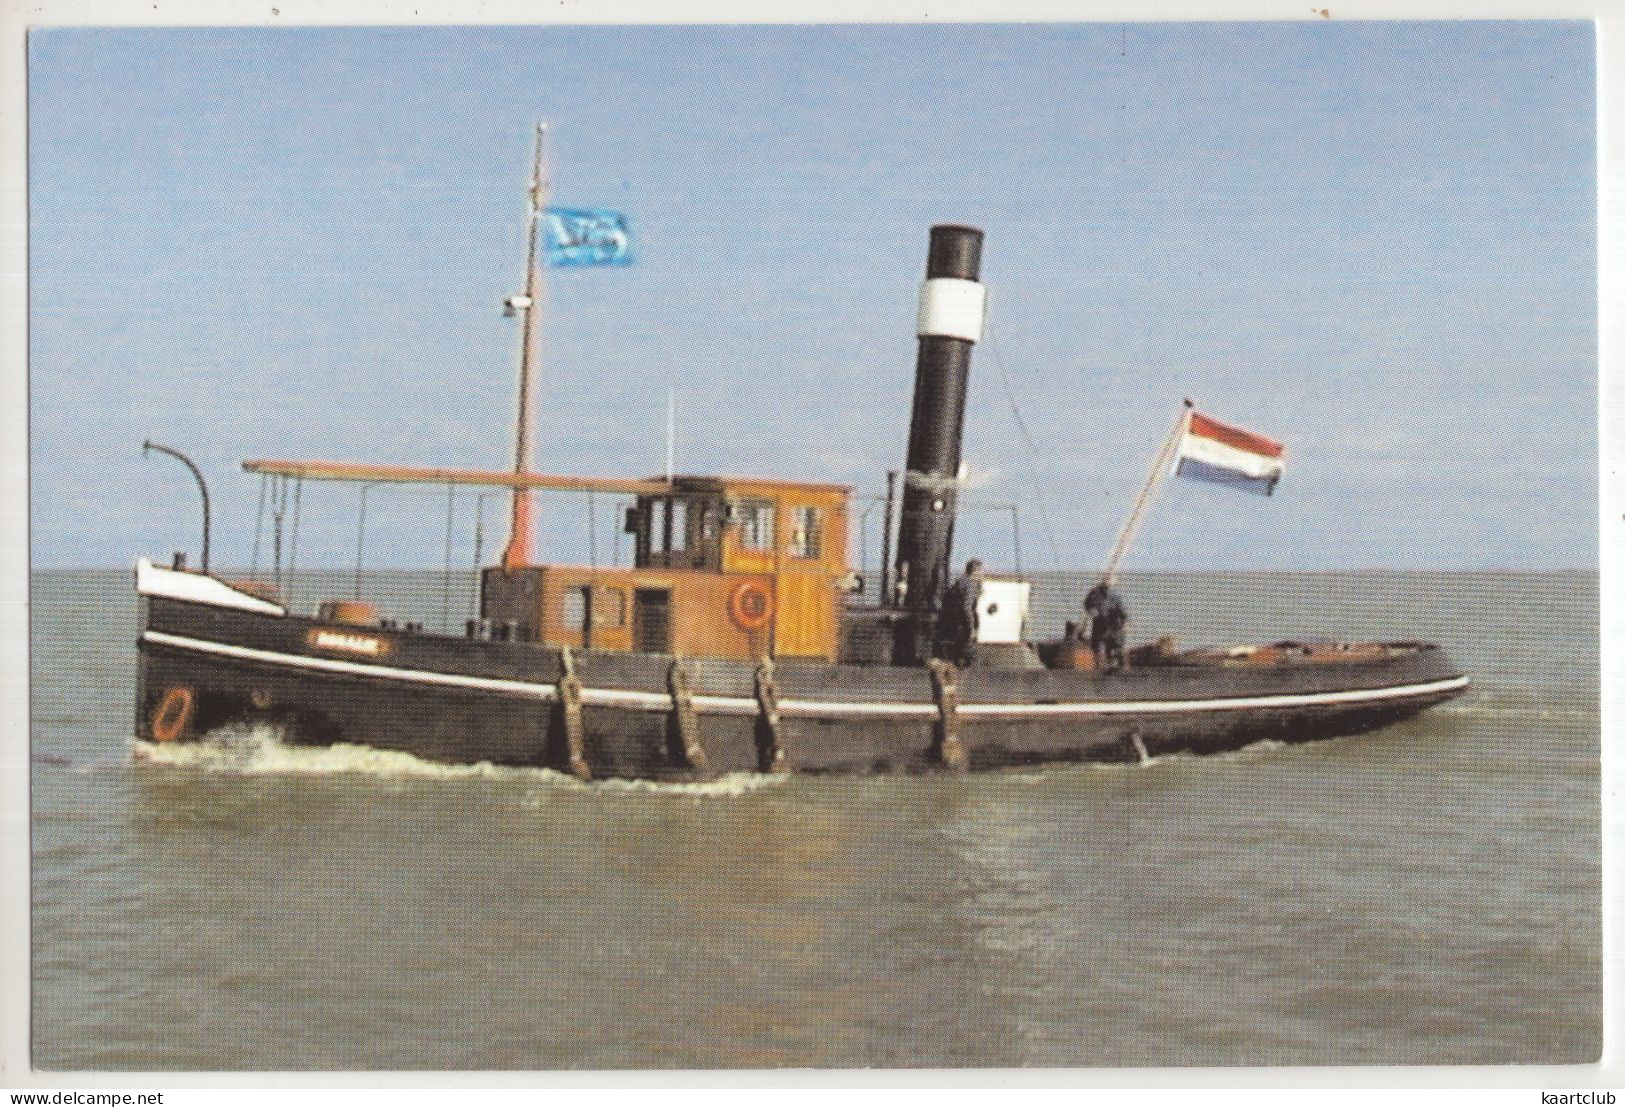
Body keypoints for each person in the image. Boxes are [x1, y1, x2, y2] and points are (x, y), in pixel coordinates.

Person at [936, 558, 985, 666]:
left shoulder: (959, 582)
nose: (982, 574)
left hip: (952, 623)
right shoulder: (971, 584)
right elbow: (966, 607)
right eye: (981, 571)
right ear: (975, 571)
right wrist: (971, 627)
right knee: (972, 658)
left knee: (956, 656)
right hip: (963, 626)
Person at [1084, 580, 1129, 671]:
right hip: (1100, 625)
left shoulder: (1115, 595)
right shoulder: (1094, 593)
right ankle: (1101, 667)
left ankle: (1122, 666)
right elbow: (1088, 604)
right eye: (1104, 588)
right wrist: (1092, 611)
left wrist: (1124, 623)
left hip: (1113, 625)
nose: (1105, 590)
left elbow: (1122, 611)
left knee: (1117, 647)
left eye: (1107, 587)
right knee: (1099, 646)